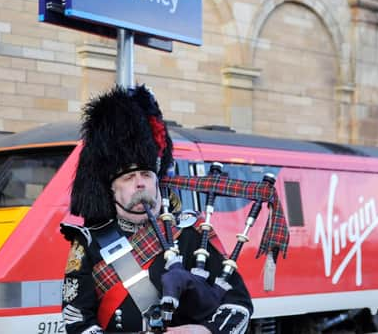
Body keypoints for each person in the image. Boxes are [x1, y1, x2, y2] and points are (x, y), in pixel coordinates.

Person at [60, 85, 253, 334]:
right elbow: (76, 320)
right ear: (111, 189)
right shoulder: (90, 242)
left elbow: (239, 306)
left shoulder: (189, 231)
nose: (140, 182)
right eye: (128, 178)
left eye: (146, 174)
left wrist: (203, 332)